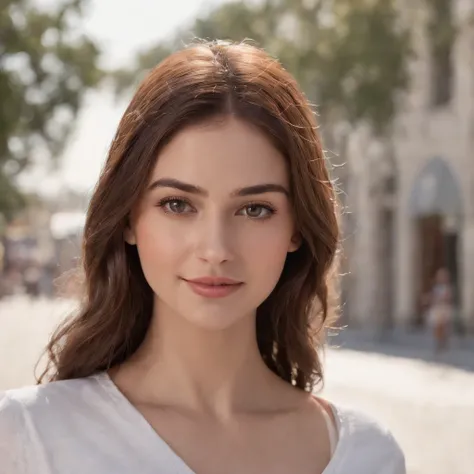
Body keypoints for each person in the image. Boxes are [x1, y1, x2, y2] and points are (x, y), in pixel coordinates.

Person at [0, 41, 405, 474]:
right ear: (128, 219)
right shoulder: (28, 437)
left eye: (254, 209)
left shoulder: (366, 455)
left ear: (297, 229)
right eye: (178, 204)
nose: (216, 250)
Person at [428, 267, 454, 353]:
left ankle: (444, 343)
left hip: (444, 308)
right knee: (437, 327)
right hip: (437, 308)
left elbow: (448, 298)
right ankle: (439, 343)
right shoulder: (436, 288)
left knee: (444, 326)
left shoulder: (447, 288)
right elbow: (433, 297)